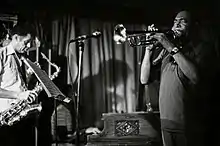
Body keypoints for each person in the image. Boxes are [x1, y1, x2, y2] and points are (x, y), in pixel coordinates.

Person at [140, 10, 218, 146]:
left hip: (189, 124)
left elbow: (195, 77)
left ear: (194, 26)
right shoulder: (165, 51)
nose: (177, 24)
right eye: (175, 21)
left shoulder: (204, 48)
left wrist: (170, 46)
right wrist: (148, 51)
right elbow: (144, 79)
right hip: (165, 123)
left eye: (183, 21)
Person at [0, 22, 39, 146]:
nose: (28, 46)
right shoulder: (2, 55)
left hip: (21, 115)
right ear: (16, 38)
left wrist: (29, 74)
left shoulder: (22, 58)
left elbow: (13, 81)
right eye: (26, 42)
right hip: (6, 118)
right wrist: (19, 95)